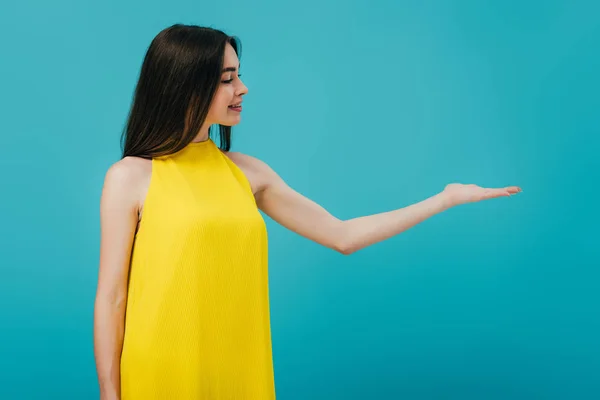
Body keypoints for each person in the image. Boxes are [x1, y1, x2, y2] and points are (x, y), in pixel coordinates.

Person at [93, 23, 522, 400]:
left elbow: (343, 235)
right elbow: (112, 298)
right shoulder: (130, 178)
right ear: (185, 84)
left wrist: (444, 199)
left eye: (239, 76)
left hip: (239, 372)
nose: (242, 89)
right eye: (227, 79)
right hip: (160, 373)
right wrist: (110, 394)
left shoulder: (248, 173)